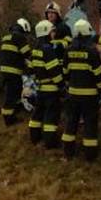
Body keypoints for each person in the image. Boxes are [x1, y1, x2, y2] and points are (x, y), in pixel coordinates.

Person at [61, 19, 101, 161]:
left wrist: (69, 86)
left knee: (71, 123)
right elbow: (98, 74)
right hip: (90, 96)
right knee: (90, 124)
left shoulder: (68, 50)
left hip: (73, 94)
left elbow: (65, 72)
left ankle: (68, 152)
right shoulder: (92, 52)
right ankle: (90, 155)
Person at [27, 20, 64, 148]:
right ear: (46, 33)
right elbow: (54, 71)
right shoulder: (48, 50)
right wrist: (62, 86)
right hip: (51, 89)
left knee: (37, 114)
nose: (53, 34)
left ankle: (34, 137)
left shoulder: (35, 49)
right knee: (50, 116)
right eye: (52, 31)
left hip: (41, 88)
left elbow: (31, 69)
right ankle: (50, 142)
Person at [0, 18, 32, 126]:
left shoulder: (6, 37)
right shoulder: (19, 37)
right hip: (13, 71)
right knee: (11, 95)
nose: (26, 35)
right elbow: (27, 53)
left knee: (13, 92)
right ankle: (9, 119)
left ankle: (14, 112)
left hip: (4, 70)